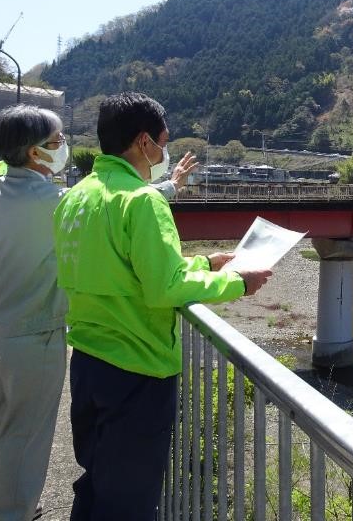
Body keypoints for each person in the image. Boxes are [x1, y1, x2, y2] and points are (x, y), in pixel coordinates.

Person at [54, 92, 271, 520]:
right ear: (143, 142)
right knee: (131, 500)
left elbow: (128, 268)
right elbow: (165, 288)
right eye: (163, 140)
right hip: (138, 367)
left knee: (96, 482)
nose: (165, 151)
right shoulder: (142, 201)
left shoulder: (77, 197)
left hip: (88, 362)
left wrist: (205, 262)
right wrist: (236, 283)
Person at [0, 105, 70, 521]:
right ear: (34, 151)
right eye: (57, 142)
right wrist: (169, 185)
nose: (62, 149)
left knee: (1, 421)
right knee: (27, 434)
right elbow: (110, 212)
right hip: (38, 329)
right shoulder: (54, 201)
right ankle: (11, 513)